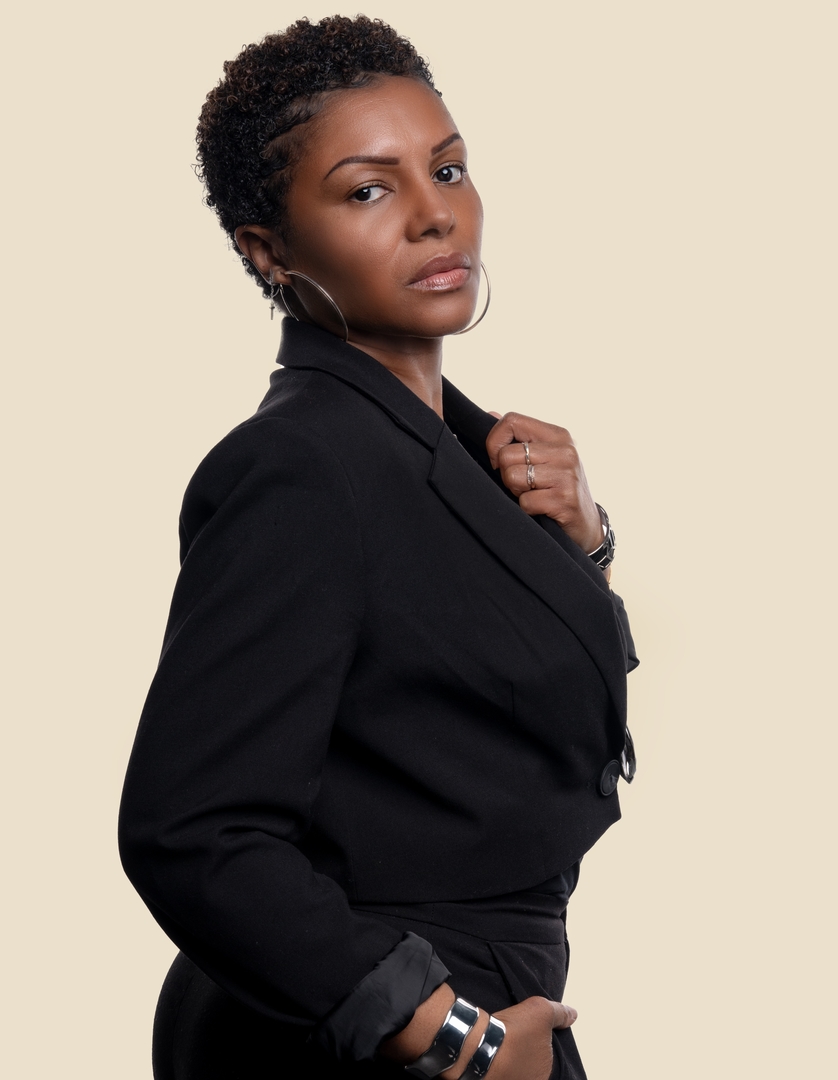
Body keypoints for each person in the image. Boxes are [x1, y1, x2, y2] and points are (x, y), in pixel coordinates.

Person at [118, 15, 638, 1080]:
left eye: (446, 169)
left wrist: (583, 545)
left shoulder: (455, 453)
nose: (434, 214)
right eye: (367, 190)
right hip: (375, 1025)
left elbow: (471, 704)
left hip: (473, 996)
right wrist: (452, 1037)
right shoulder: (299, 468)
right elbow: (192, 832)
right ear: (268, 251)